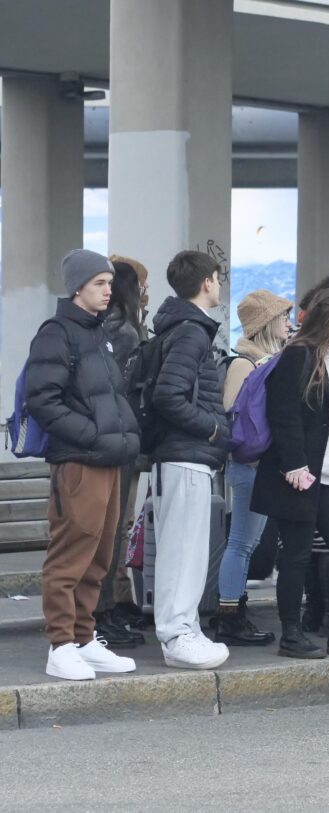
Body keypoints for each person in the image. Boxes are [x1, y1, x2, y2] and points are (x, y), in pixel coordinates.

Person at [26, 250, 141, 680]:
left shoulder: (96, 333)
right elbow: (42, 399)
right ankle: (61, 645)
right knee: (71, 554)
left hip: (108, 459)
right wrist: (93, 436)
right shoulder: (57, 333)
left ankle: (84, 637)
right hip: (80, 461)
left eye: (109, 282)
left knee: (100, 556)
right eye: (98, 283)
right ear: (77, 287)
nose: (108, 290)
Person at [252, 288, 329, 659]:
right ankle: (291, 633)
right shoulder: (298, 354)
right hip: (300, 474)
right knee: (298, 554)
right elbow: (283, 413)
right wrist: (294, 464)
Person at [149, 251, 232, 669]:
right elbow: (169, 395)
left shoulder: (179, 327)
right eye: (218, 279)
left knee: (185, 550)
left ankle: (184, 629)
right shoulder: (192, 332)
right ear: (207, 282)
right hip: (186, 456)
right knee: (184, 551)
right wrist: (213, 429)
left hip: (180, 456)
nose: (219, 286)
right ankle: (178, 634)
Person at [213, 289, 292, 646]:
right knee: (242, 542)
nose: (288, 323)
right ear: (267, 324)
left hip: (257, 465)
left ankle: (233, 607)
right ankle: (230, 613)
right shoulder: (245, 363)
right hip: (249, 464)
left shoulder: (265, 360)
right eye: (283, 318)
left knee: (248, 541)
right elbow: (233, 411)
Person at [91, 258, 150, 648]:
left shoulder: (101, 327)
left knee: (113, 527)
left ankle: (108, 606)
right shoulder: (127, 332)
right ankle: (103, 612)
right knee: (114, 528)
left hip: (107, 441)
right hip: (121, 441)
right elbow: (127, 391)